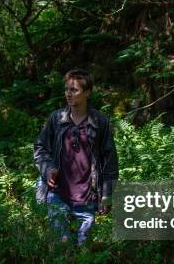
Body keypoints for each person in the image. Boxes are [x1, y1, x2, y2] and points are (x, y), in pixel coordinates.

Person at [34, 69, 118, 245]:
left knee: (84, 251)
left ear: (87, 92)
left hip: (87, 197)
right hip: (58, 194)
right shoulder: (57, 118)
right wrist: (48, 169)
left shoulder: (99, 122)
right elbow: (40, 148)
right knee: (60, 247)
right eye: (66, 89)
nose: (68, 94)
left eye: (74, 90)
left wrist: (107, 195)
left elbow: (109, 161)